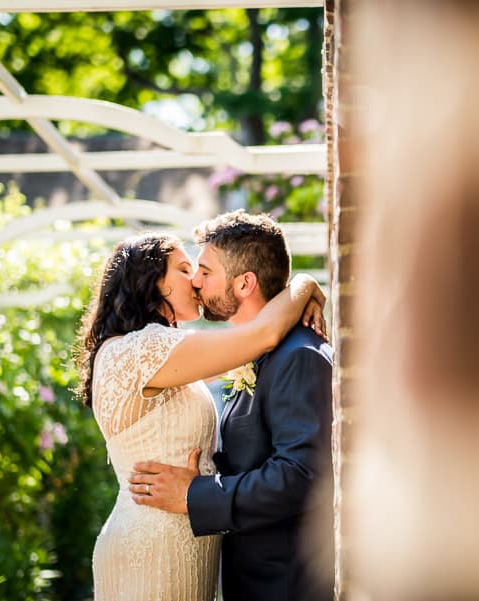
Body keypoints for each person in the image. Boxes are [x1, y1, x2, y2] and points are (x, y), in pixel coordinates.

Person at [76, 231, 326, 601]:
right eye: (184, 269)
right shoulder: (143, 349)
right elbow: (265, 333)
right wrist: (306, 285)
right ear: (151, 280)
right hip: (154, 543)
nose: (195, 280)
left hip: (187, 535)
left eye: (199, 270)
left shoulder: (167, 353)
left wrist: (205, 484)